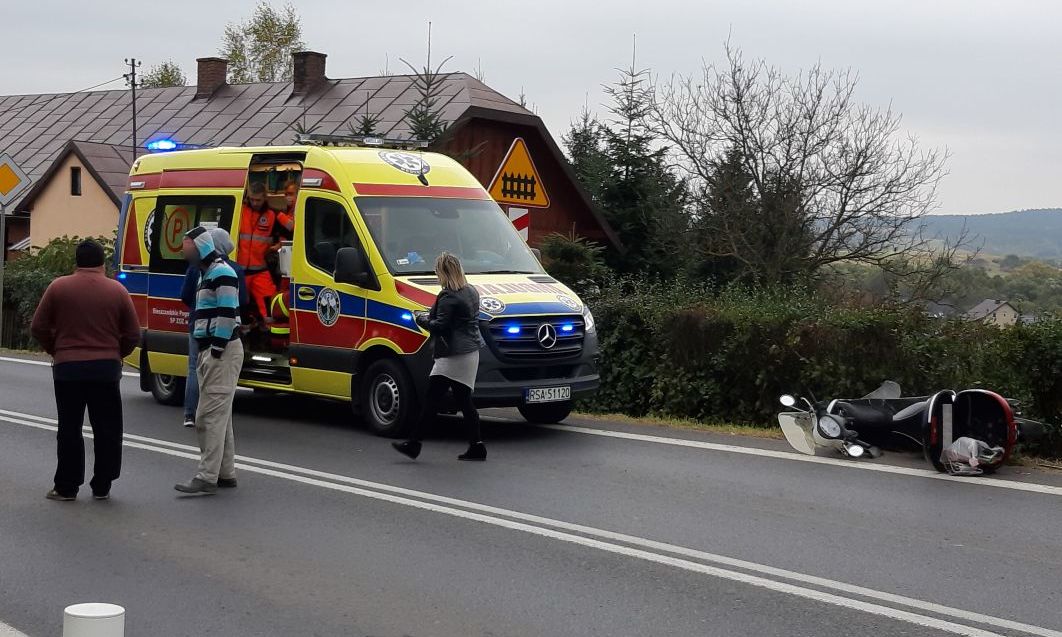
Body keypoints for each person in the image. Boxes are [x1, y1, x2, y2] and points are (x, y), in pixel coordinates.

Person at [30, 239, 139, 501]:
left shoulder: (58, 287)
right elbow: (133, 333)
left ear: (76, 262)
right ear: (103, 263)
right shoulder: (117, 290)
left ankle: (66, 486)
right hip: (105, 369)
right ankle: (102, 484)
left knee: (69, 427)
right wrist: (116, 353)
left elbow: (38, 326)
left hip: (68, 369)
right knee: (107, 428)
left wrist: (55, 349)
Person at [393, 252, 487, 461]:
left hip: (452, 355)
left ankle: (414, 444)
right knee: (464, 401)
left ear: (444, 272)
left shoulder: (448, 295)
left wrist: (420, 319)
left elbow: (441, 325)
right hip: (470, 352)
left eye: (437, 272)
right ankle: (477, 446)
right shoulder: (471, 291)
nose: (436, 276)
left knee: (431, 400)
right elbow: (458, 319)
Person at [175, 226, 243, 495]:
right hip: (214, 350)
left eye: (186, 245)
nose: (182, 250)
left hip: (221, 352)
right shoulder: (207, 273)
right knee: (221, 418)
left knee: (207, 417)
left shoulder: (221, 273)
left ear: (200, 247)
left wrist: (216, 349)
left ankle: (206, 477)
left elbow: (227, 315)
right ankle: (225, 474)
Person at [179, 227, 248, 428]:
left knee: (194, 370)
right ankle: (199, 415)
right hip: (212, 334)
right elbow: (240, 301)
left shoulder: (204, 270)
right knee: (214, 398)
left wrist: (216, 350)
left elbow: (185, 296)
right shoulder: (233, 269)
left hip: (200, 327)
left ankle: (189, 413)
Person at [236, 181, 293, 326]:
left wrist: (279, 245)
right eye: (252, 199)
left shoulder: (273, 215)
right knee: (238, 309)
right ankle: (244, 338)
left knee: (270, 310)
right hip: (238, 271)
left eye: (258, 200)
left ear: (265, 198)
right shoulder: (240, 211)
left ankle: (269, 339)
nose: (255, 203)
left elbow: (292, 229)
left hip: (260, 270)